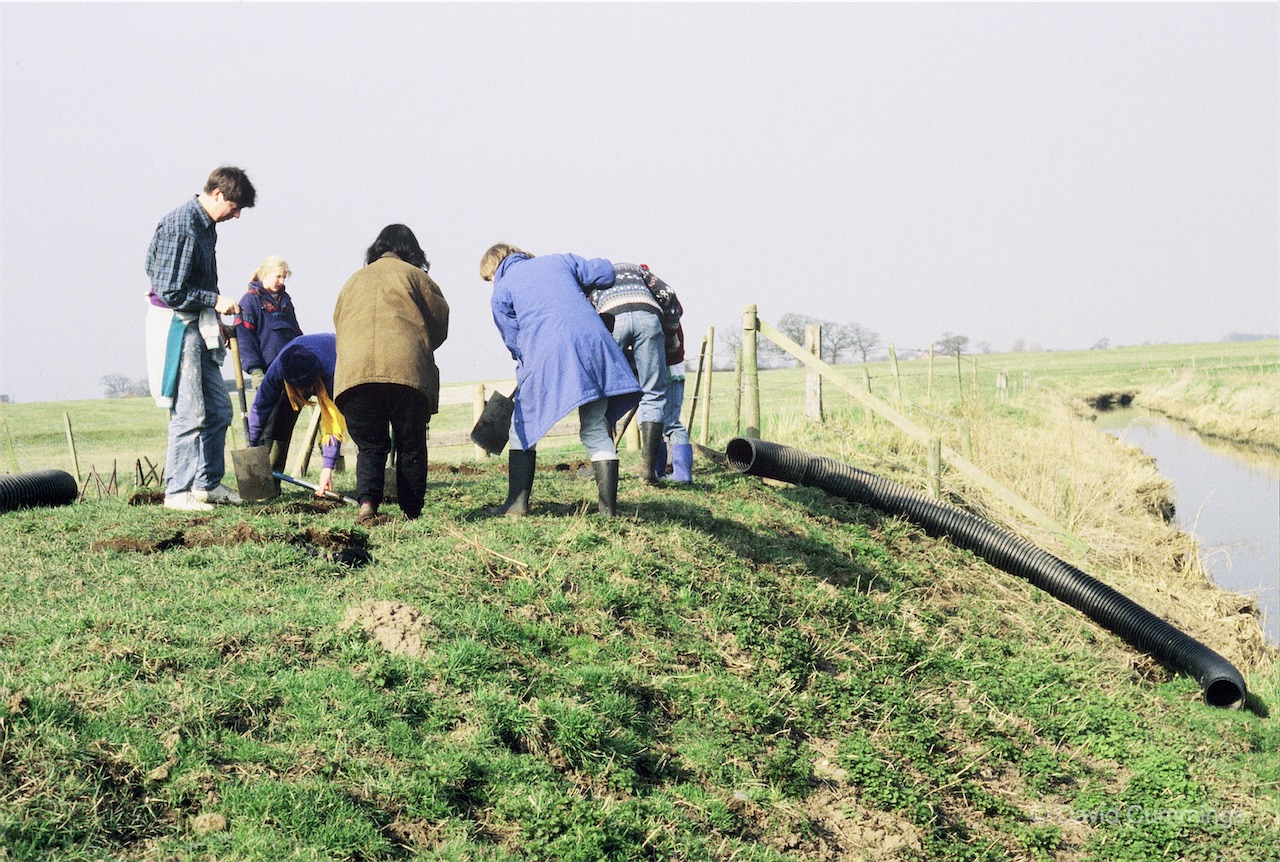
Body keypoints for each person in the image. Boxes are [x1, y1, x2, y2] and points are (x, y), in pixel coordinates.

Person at [479, 244, 642, 517]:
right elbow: (605, 272)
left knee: (522, 429)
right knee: (595, 428)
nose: (491, 284)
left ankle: (516, 505)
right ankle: (608, 510)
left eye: (489, 278)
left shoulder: (502, 290)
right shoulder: (560, 261)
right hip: (595, 349)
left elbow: (514, 342)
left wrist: (529, 365)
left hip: (547, 356)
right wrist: (577, 286)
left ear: (496, 266)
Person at [144, 165, 256, 511]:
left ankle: (207, 484)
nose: (236, 215)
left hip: (200, 324)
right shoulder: (182, 226)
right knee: (190, 413)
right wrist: (214, 301)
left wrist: (214, 318)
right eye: (234, 207)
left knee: (219, 409)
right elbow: (170, 290)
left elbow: (197, 280)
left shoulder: (206, 226)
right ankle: (177, 493)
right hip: (177, 326)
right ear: (217, 194)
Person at [333, 225, 449, 522]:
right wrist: (416, 345)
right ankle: (411, 512)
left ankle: (367, 506)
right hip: (405, 371)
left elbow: (339, 322)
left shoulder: (353, 281)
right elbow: (439, 324)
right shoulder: (416, 277)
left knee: (370, 445)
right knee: (410, 443)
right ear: (412, 251)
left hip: (355, 374)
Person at [587, 263, 667, 485]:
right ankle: (648, 473)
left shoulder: (596, 280)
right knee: (654, 394)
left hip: (612, 318)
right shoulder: (638, 271)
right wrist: (670, 335)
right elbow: (667, 294)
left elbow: (587, 314)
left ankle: (603, 467)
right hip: (648, 318)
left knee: (603, 394)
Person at [247, 333, 344, 496]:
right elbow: (260, 406)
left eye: (310, 387)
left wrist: (327, 468)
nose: (308, 392)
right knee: (281, 418)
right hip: (300, 366)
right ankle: (273, 482)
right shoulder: (278, 369)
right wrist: (252, 445)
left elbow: (334, 420)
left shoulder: (332, 370)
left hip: (336, 356)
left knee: (354, 416)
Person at [639, 264, 692, 484]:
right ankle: (657, 471)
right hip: (662, 369)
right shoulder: (658, 308)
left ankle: (682, 474)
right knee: (651, 421)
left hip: (668, 369)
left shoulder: (659, 311)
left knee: (670, 422)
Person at [236, 256, 302, 386]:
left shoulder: (286, 302)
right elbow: (244, 339)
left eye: (284, 277)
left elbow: (296, 332)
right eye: (278, 276)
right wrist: (255, 370)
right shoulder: (249, 301)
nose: (282, 281)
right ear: (266, 274)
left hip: (290, 370)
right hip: (267, 372)